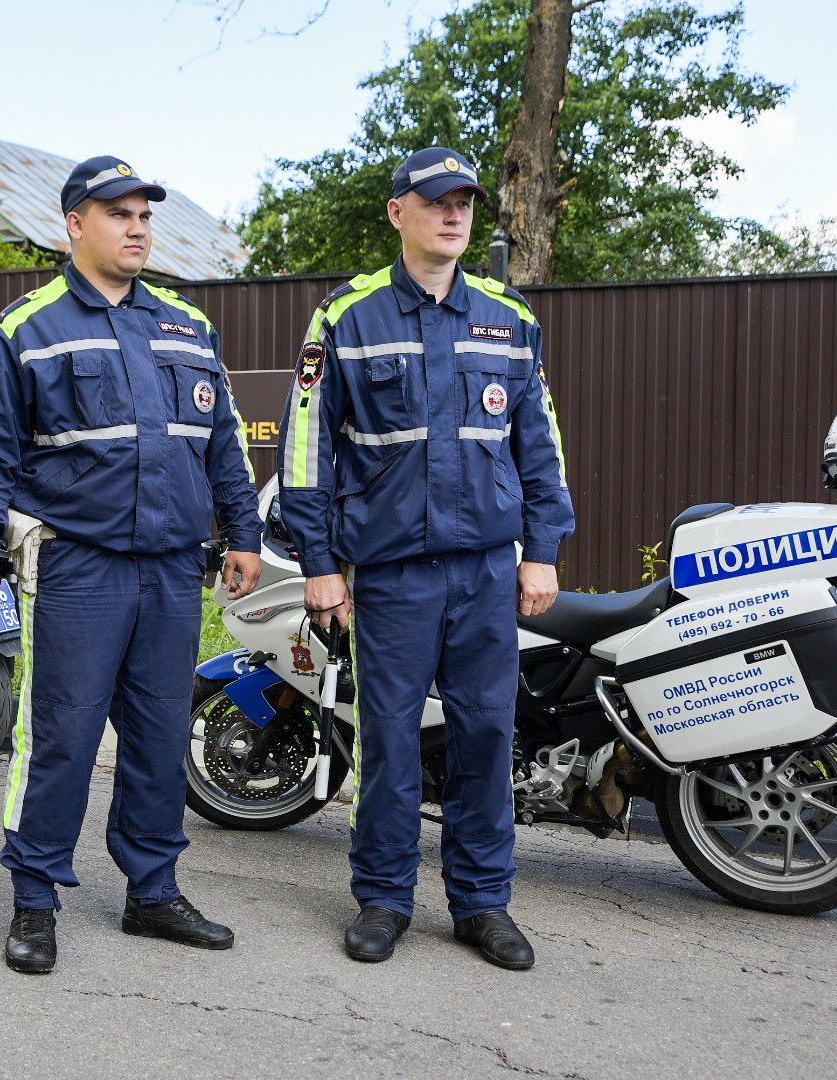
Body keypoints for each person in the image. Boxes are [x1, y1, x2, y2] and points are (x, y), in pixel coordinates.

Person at [0, 155, 264, 975]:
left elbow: (223, 441)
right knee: (61, 735)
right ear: (74, 224)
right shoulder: (28, 326)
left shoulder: (187, 328)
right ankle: (35, 899)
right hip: (75, 568)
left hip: (170, 571)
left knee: (160, 737)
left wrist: (243, 534)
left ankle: (152, 892)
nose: (136, 227)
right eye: (118, 213)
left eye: (144, 215)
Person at [276, 147, 575, 969]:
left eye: (466, 203)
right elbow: (306, 452)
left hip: (484, 569)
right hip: (394, 574)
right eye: (436, 200)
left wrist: (541, 550)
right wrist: (321, 562)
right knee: (391, 741)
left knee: (484, 736)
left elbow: (538, 446)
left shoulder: (509, 320)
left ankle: (484, 904)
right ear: (397, 212)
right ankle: (382, 898)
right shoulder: (348, 315)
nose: (454, 215)